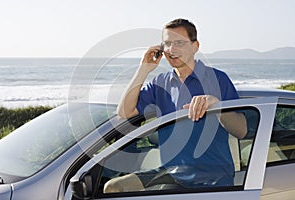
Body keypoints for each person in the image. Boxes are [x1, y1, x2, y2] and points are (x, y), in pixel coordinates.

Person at [104, 18, 247, 193]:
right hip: (172, 173)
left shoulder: (218, 79)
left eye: (179, 43)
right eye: (167, 44)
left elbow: (241, 130)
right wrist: (144, 68)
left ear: (195, 46)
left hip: (213, 178)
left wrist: (216, 105)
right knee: (113, 187)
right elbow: (125, 112)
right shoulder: (160, 83)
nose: (172, 50)